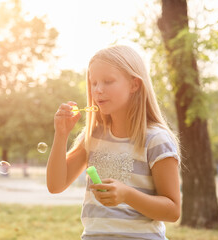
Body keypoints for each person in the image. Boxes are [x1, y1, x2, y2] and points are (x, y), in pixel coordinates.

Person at [46, 45, 181, 240]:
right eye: (93, 83)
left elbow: (173, 210)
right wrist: (61, 135)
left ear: (134, 84)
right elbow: (55, 185)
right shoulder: (93, 136)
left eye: (108, 81)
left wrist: (128, 195)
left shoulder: (155, 140)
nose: (98, 90)